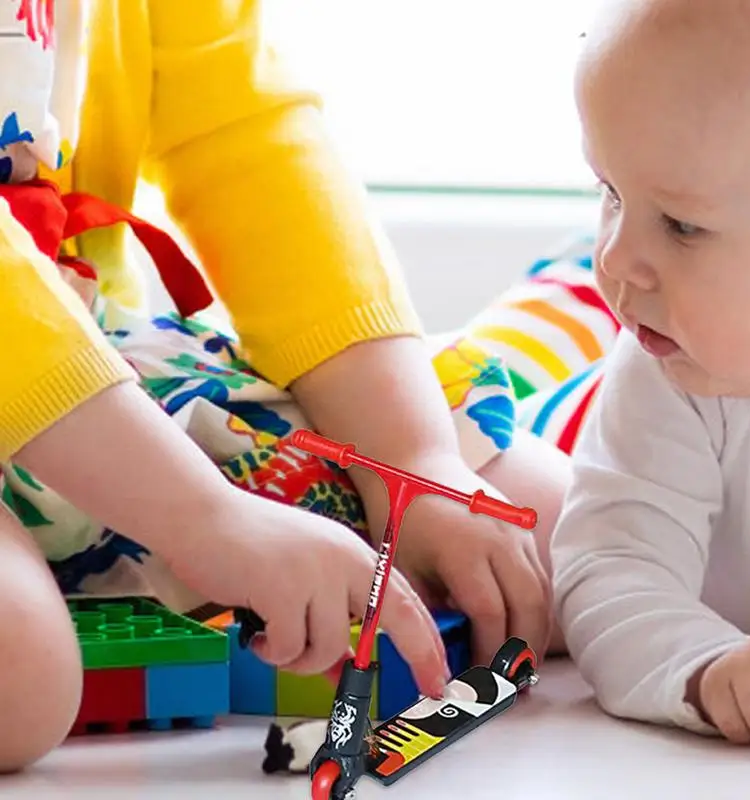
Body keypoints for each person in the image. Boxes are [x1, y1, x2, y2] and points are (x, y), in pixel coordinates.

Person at [0, 0, 575, 772]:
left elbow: (246, 140)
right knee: (19, 674)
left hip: (92, 365)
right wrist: (203, 521)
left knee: (547, 526)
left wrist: (410, 457)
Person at [552, 0, 750, 746]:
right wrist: (702, 663)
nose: (617, 258)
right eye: (611, 192)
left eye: (683, 225)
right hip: (564, 407)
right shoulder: (666, 368)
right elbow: (610, 569)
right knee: (497, 467)